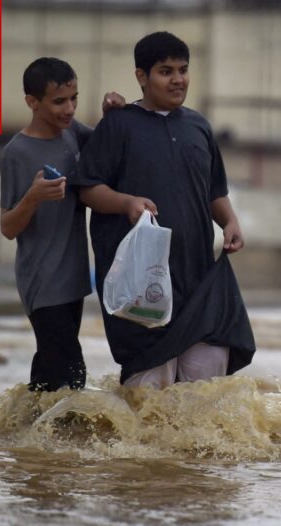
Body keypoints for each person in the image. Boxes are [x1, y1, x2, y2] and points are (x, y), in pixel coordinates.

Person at [74, 31, 256, 389]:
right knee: (147, 396)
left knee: (205, 395)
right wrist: (126, 202)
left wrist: (230, 221)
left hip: (198, 278)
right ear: (142, 77)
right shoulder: (119, 124)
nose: (178, 80)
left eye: (183, 70)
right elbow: (88, 189)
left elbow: (214, 191)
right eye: (165, 71)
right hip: (141, 281)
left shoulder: (199, 127)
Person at [0, 57, 125, 392]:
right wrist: (33, 197)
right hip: (41, 282)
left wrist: (111, 114)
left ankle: (22, 439)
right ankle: (57, 440)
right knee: (71, 375)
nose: (69, 109)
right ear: (32, 102)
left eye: (74, 99)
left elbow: (107, 148)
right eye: (58, 102)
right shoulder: (17, 152)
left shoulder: (73, 134)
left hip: (73, 279)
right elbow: (8, 227)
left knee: (48, 375)